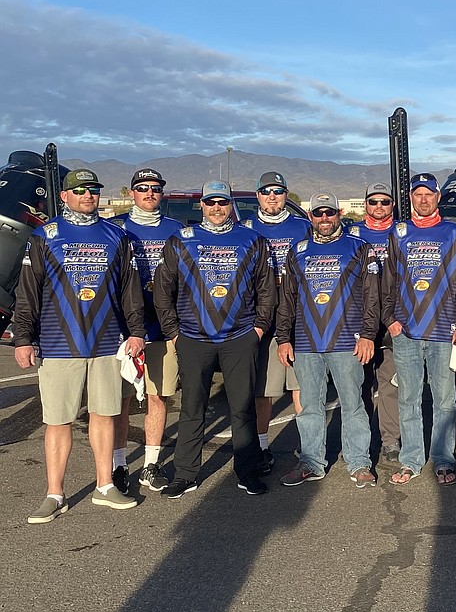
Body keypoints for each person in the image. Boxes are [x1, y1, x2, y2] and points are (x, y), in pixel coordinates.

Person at [13, 169, 146, 522]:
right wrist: (23, 337)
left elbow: (129, 289)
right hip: (58, 344)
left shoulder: (116, 236)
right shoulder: (45, 235)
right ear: (65, 196)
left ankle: (105, 486)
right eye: (81, 190)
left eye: (94, 190)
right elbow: (28, 291)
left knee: (105, 415)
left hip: (106, 342)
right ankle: (54, 494)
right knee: (58, 421)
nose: (89, 195)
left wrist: (136, 331)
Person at [154, 180, 276, 498]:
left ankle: (247, 471)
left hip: (240, 338)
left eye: (223, 202)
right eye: (211, 202)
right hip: (194, 339)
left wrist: (259, 329)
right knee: (193, 408)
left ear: (231, 204)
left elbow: (267, 290)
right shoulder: (181, 240)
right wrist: (174, 333)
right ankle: (185, 474)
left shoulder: (253, 240)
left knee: (242, 408)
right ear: (202, 206)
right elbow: (163, 291)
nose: (217, 208)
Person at [276, 193, 379, 489]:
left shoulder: (360, 248)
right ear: (311, 216)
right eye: (318, 213)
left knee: (353, 404)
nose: (324, 218)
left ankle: (359, 462)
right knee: (310, 405)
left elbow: (372, 296)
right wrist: (284, 338)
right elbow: (287, 299)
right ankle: (311, 461)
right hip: (306, 342)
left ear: (340, 212)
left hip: (348, 340)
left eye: (329, 212)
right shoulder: (298, 251)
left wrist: (369, 334)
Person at [382, 172, 456, 486]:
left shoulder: (454, 233)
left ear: (438, 197)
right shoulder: (399, 232)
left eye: (429, 194)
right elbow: (388, 280)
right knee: (408, 398)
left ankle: (444, 460)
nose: (423, 199)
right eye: (418, 194)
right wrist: (389, 319)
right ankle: (411, 460)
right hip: (405, 331)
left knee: (445, 399)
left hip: (444, 331)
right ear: (410, 198)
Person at [108, 168, 184, 492]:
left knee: (159, 396)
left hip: (163, 327)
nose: (149, 193)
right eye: (142, 188)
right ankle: (119, 464)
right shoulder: (115, 228)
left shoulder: (177, 229)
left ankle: (151, 464)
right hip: (124, 331)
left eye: (155, 188)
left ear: (162, 193)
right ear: (132, 193)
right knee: (120, 401)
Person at [243, 171, 311, 474]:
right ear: (258, 195)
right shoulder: (245, 228)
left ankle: (308, 447)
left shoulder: (303, 227)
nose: (272, 197)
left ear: (286, 195)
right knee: (263, 390)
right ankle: (261, 447)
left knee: (301, 388)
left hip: (298, 321)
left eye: (278, 191)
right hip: (261, 321)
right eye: (266, 191)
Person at [349, 182, 400, 469]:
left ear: (392, 204)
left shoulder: (402, 233)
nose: (379, 206)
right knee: (358, 384)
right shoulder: (352, 233)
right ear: (365, 203)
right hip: (359, 320)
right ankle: (360, 441)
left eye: (385, 202)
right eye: (373, 201)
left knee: (390, 383)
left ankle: (390, 439)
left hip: (392, 319)